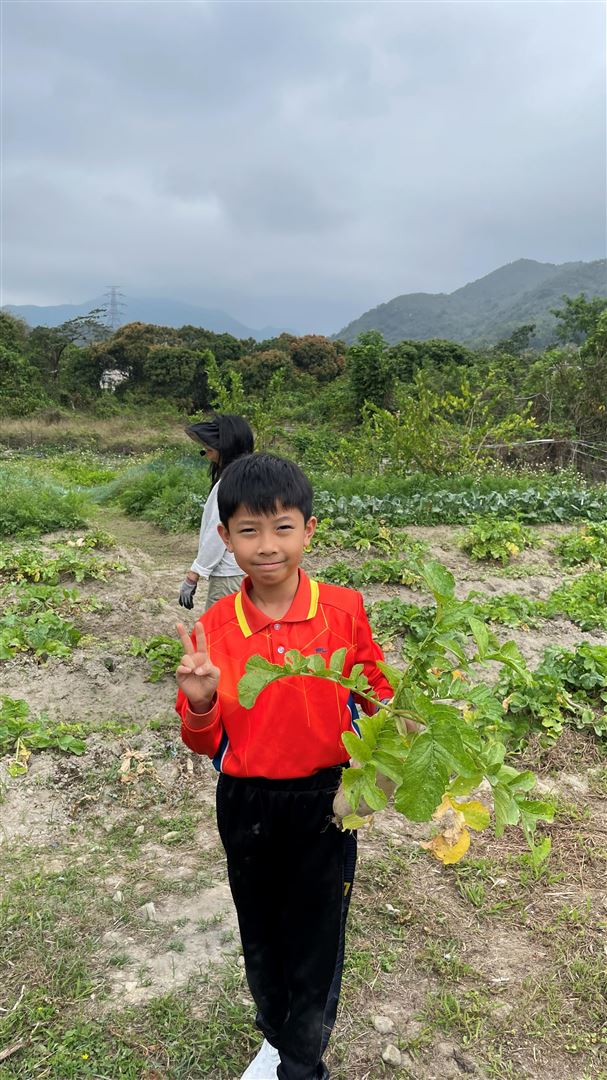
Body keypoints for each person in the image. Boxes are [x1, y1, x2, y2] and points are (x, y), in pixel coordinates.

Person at [175, 453, 395, 1080]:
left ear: (309, 530)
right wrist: (200, 702)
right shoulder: (216, 626)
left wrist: (405, 721)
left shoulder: (344, 610)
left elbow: (377, 693)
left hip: (327, 802)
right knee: (261, 930)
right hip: (246, 802)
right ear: (225, 538)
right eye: (249, 530)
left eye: (283, 528)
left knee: (317, 938)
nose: (267, 546)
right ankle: (275, 1037)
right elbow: (202, 740)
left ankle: (301, 1063)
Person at [178, 414, 254, 611]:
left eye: (210, 445)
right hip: (247, 568)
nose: (206, 449)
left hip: (228, 574)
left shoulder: (228, 483)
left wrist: (193, 574)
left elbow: (217, 533)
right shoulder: (249, 478)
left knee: (219, 628)